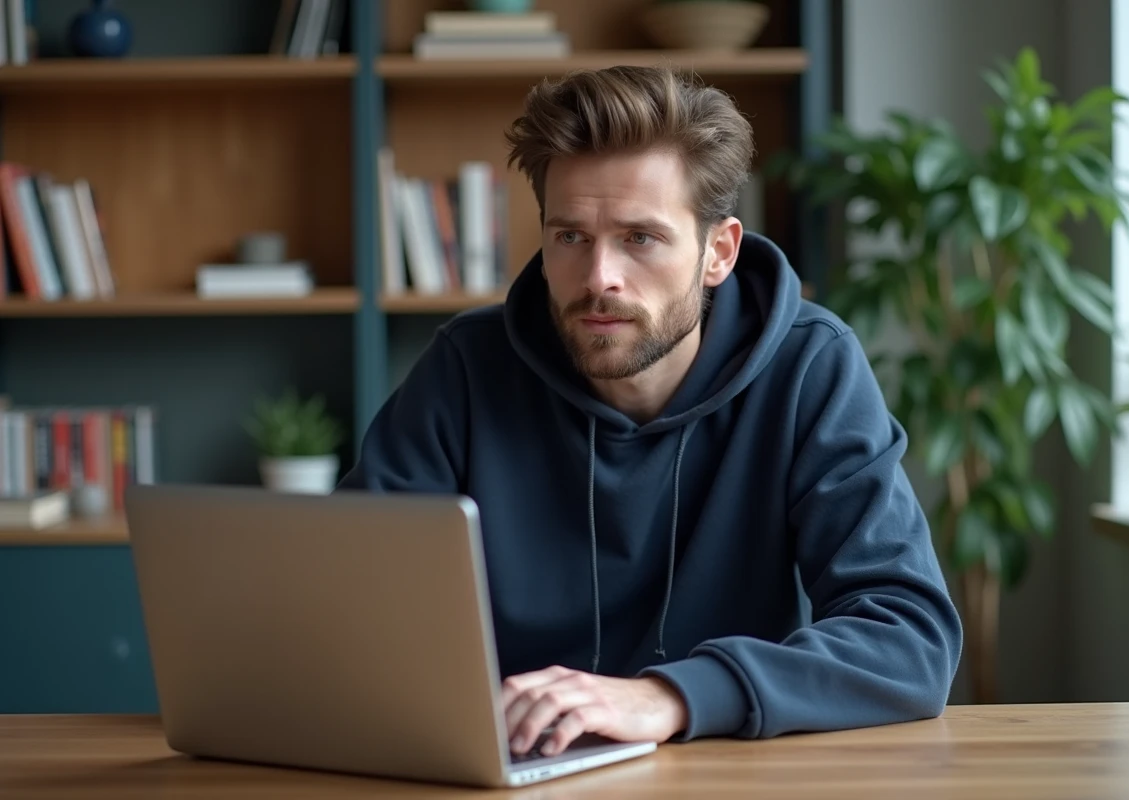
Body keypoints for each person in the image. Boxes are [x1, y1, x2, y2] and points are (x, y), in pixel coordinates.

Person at [338, 64, 962, 758]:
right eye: (570, 236)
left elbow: (911, 639)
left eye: (640, 238)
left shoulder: (809, 367)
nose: (599, 277)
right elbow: (344, 604)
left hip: (724, 768)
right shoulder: (466, 367)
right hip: (511, 769)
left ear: (718, 252)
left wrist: (670, 696)